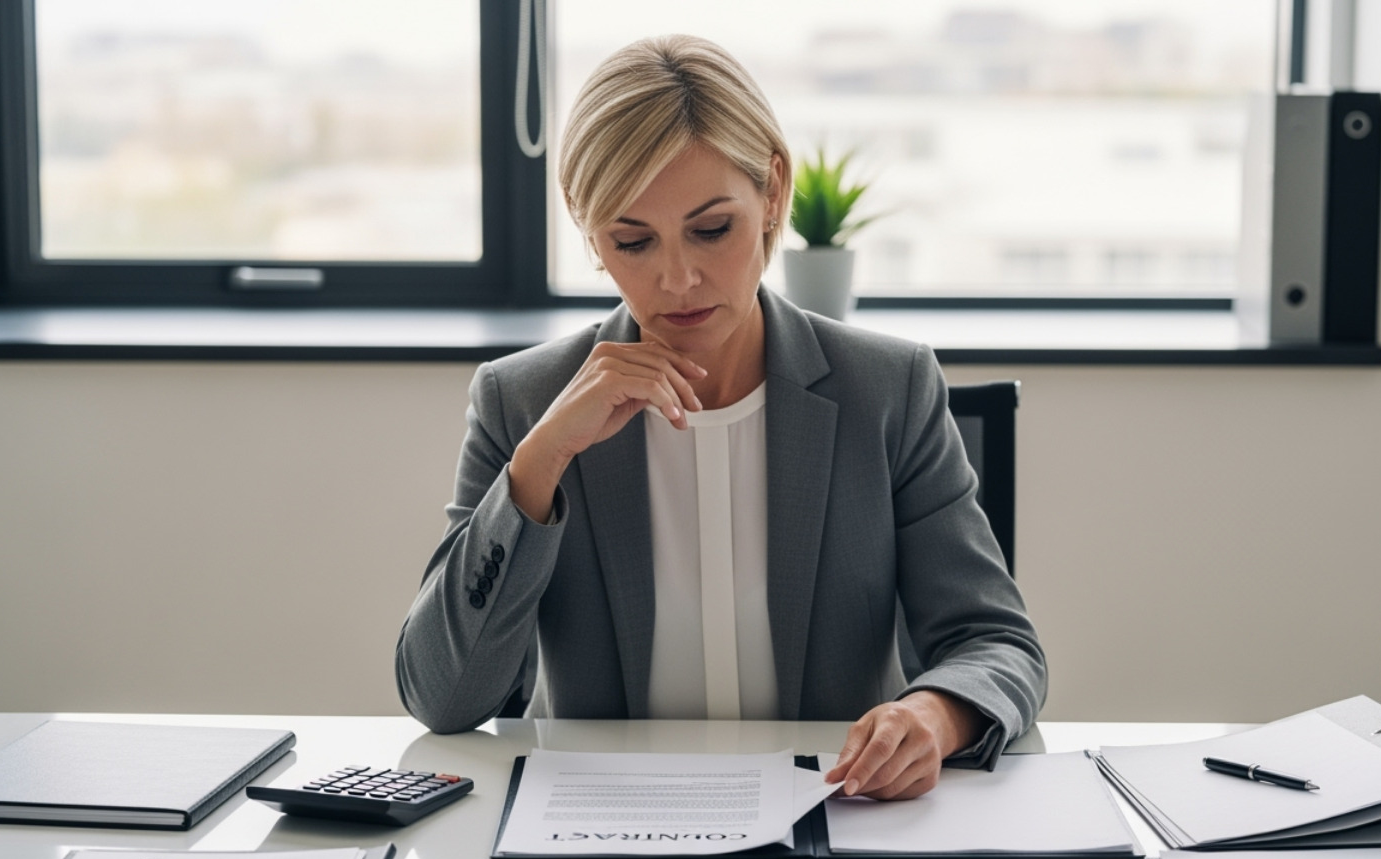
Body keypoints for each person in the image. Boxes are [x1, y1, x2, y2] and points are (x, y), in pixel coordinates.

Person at [396, 35, 1046, 800]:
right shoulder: (523, 401)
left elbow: (997, 642)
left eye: (712, 229)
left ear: (772, 193)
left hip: (838, 819)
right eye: (631, 241)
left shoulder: (888, 389)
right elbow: (443, 699)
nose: (677, 278)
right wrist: (538, 467)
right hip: (599, 835)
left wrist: (933, 716)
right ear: (589, 231)